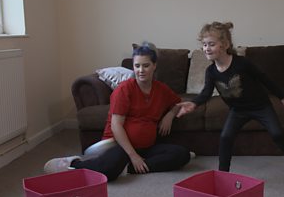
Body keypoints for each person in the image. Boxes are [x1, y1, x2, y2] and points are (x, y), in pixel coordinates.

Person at [44, 42, 193, 181]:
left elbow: (178, 103)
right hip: (119, 146)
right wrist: (133, 155)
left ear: (154, 66)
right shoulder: (124, 89)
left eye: (146, 65)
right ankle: (74, 164)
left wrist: (170, 115)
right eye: (137, 66)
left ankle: (129, 168)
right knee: (109, 169)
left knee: (182, 154)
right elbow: (116, 126)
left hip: (147, 147)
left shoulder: (161, 89)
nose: (141, 70)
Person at [177, 21, 284, 172]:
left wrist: (281, 94)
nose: (207, 48)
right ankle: (223, 172)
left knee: (277, 133)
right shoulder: (211, 72)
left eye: (211, 44)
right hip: (238, 110)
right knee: (225, 137)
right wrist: (193, 104)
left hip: (261, 106)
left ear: (225, 45)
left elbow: (263, 77)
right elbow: (206, 93)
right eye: (205, 45)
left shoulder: (242, 63)